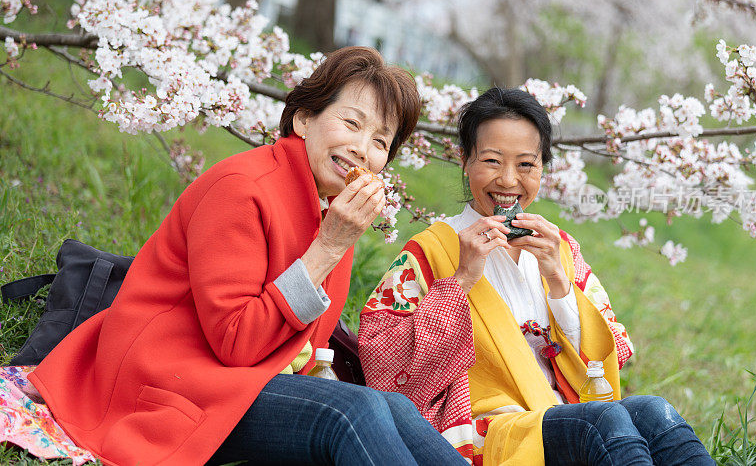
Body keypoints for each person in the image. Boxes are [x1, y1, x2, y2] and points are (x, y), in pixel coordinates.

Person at [27, 47, 467, 465]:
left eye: (380, 141)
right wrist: (328, 247)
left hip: (249, 378)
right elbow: (236, 342)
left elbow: (311, 344)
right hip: (170, 382)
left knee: (395, 409)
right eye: (351, 123)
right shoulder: (242, 188)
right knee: (355, 413)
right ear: (304, 119)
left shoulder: (331, 209)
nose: (362, 149)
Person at [358, 87, 715, 465]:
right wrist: (461, 279)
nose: (509, 181)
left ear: (543, 167)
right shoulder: (429, 251)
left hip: (569, 412)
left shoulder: (559, 248)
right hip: (486, 430)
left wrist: (559, 282)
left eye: (526, 165)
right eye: (493, 161)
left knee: (657, 414)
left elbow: (612, 355)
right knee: (604, 421)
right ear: (464, 160)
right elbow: (387, 370)